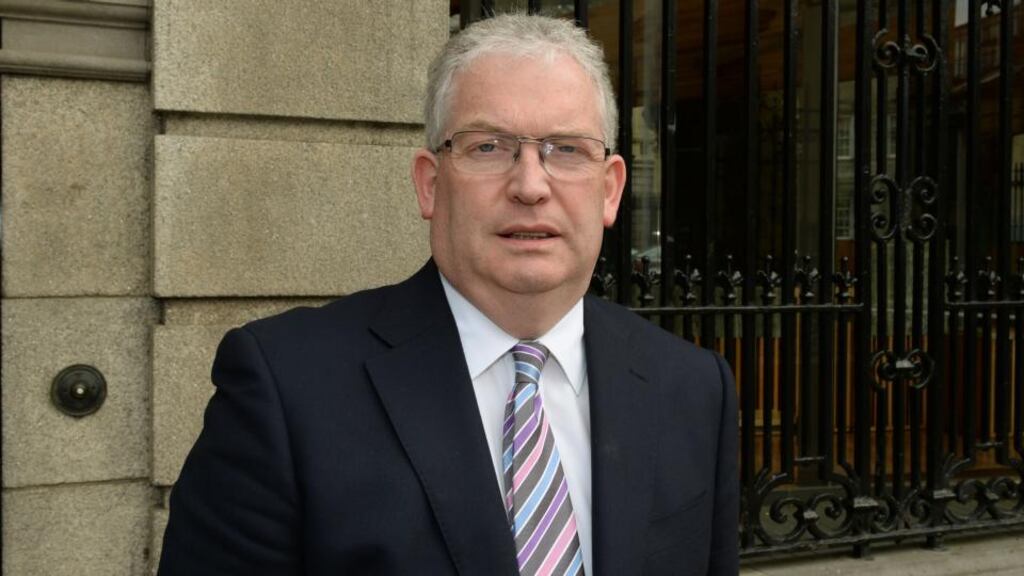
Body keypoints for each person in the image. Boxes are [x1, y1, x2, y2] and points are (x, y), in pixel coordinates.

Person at [158, 13, 738, 576]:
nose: (531, 185)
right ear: (430, 184)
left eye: (566, 149)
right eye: (489, 146)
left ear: (609, 191)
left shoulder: (692, 388)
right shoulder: (285, 389)